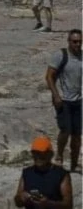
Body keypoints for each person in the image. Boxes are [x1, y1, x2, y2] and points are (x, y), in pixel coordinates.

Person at [45, 29, 82, 172]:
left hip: (79, 100)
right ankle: (59, 156)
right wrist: (56, 95)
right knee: (65, 130)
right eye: (74, 41)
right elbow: (49, 76)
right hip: (64, 100)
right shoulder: (60, 55)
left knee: (77, 135)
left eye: (80, 42)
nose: (77, 44)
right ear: (69, 41)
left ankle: (74, 163)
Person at [14, 135, 73, 208]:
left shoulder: (61, 174)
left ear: (50, 154)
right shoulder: (27, 173)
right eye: (35, 153)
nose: (38, 156)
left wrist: (48, 204)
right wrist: (21, 198)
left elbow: (68, 205)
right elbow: (18, 202)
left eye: (42, 153)